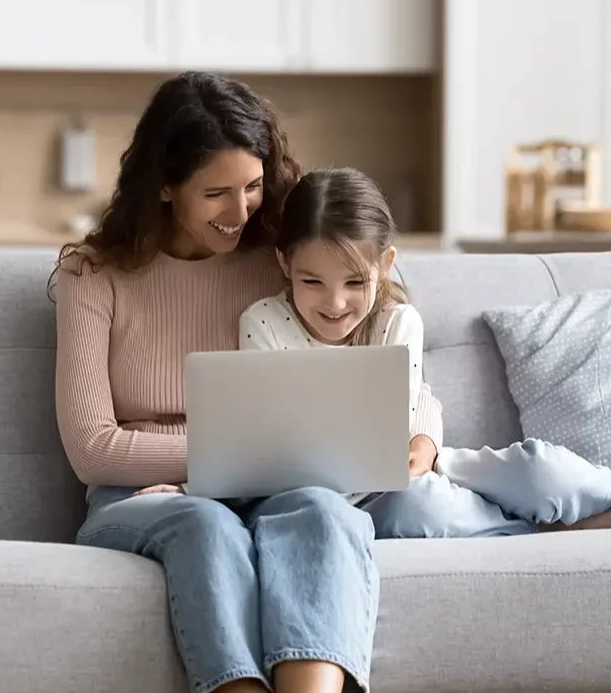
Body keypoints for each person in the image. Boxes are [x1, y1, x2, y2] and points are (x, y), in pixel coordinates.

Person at [52, 72, 445, 693]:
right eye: (215, 193)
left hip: (269, 479)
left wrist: (422, 437)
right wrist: (220, 457)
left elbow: (394, 352)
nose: (240, 210)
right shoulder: (93, 277)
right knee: (206, 526)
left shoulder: (278, 259)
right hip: (144, 497)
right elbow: (93, 446)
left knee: (327, 514)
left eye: (255, 184)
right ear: (163, 185)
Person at [240, 166, 611, 537]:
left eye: (355, 282)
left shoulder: (398, 322)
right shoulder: (263, 324)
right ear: (284, 263)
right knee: (427, 508)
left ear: (385, 265)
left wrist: (426, 446)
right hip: (362, 499)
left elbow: (414, 402)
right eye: (312, 282)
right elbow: (263, 437)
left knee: (539, 469)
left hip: (415, 469)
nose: (335, 303)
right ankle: (551, 529)